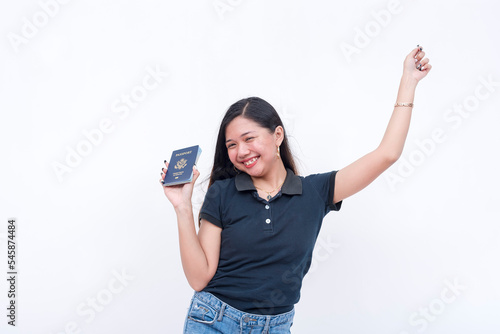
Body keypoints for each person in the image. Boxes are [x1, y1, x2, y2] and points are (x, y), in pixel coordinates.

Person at [160, 46, 431, 333]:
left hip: (276, 326)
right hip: (214, 321)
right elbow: (199, 278)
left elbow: (387, 154)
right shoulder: (223, 193)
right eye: (231, 145)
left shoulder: (315, 192)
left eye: (249, 138)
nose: (241, 151)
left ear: (277, 135)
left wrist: (408, 81)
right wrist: (182, 207)